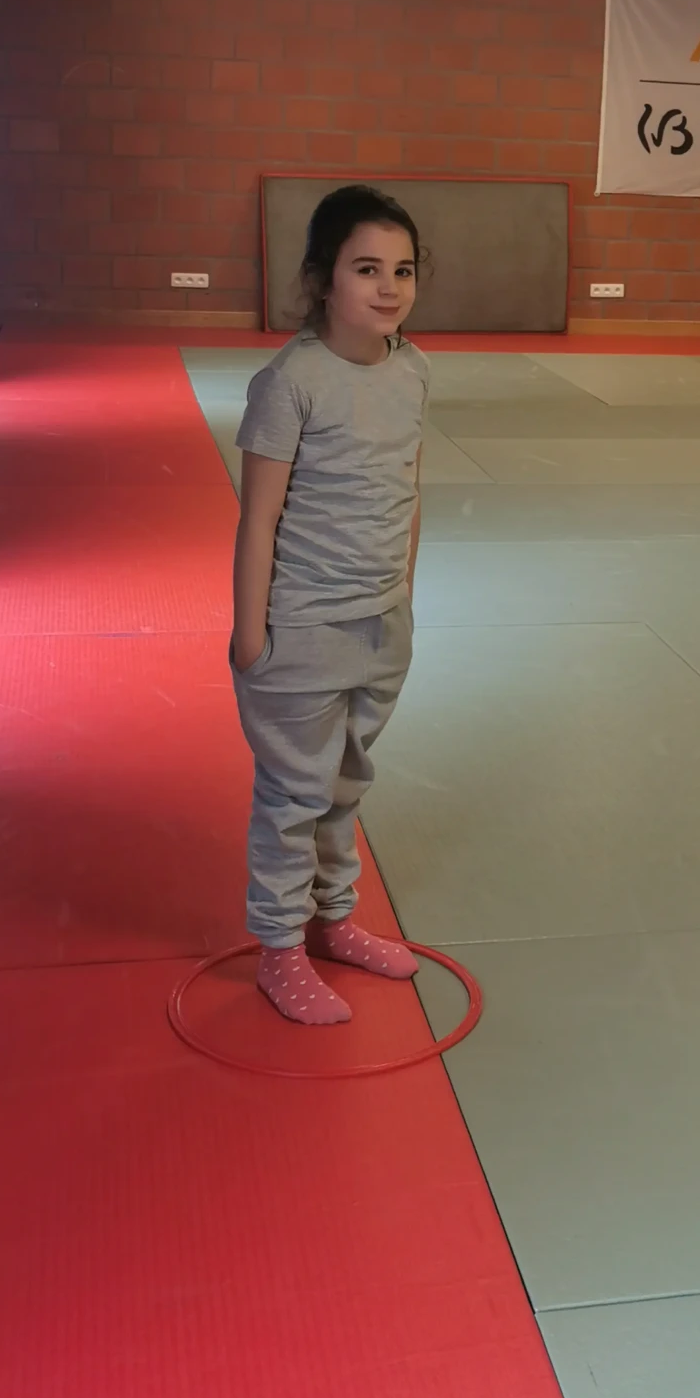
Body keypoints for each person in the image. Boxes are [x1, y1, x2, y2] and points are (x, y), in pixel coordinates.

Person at [230, 185, 430, 1025]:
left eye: (403, 270)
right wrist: (250, 635)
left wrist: (402, 595)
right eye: (366, 268)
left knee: (346, 783)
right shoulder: (290, 382)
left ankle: (331, 922)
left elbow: (409, 490)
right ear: (321, 279)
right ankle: (279, 949)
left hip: (380, 624)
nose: (389, 287)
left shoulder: (412, 370)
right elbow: (259, 517)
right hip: (303, 629)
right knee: (294, 796)